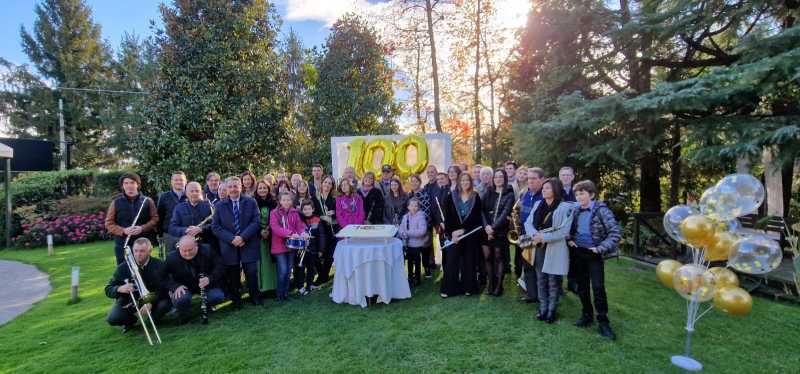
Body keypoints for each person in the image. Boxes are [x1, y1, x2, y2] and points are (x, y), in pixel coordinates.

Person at [568, 180, 620, 340]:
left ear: (591, 194)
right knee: (582, 287)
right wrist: (569, 239)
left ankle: (603, 322)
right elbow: (568, 229)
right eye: (576, 194)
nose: (579, 197)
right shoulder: (575, 211)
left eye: (582, 193)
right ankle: (586, 315)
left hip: (594, 254)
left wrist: (599, 248)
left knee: (598, 288)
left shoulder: (602, 211)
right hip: (578, 252)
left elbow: (615, 233)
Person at [524, 178, 577, 324]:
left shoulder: (566, 207)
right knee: (541, 278)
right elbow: (528, 222)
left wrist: (543, 237)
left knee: (553, 281)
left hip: (555, 247)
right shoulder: (537, 204)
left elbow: (564, 231)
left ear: (555, 189)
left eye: (547, 188)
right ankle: (543, 308)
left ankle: (552, 310)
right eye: (543, 188)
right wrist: (535, 235)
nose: (544, 190)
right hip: (538, 246)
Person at [211, 176, 263, 307]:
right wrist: (232, 239)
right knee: (233, 275)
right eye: (230, 187)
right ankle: (237, 300)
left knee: (251, 272)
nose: (233, 189)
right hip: (229, 245)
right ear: (226, 189)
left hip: (248, 243)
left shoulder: (251, 202)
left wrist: (242, 237)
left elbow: (256, 221)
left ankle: (255, 297)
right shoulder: (219, 205)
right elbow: (215, 227)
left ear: (241, 187)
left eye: (236, 186)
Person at [105, 238, 170, 332]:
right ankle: (130, 321)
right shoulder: (123, 267)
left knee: (165, 304)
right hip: (130, 301)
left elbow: (163, 289)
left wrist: (149, 301)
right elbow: (108, 289)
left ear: (150, 251)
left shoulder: (159, 265)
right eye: (135, 251)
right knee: (113, 318)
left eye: (142, 251)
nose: (138, 254)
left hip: (154, 299)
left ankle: (154, 318)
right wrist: (119, 288)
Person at [440, 173, 483, 298]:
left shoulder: (475, 197)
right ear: (459, 182)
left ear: (470, 182)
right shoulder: (451, 196)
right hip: (454, 236)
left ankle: (468, 287)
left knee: (469, 261)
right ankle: (449, 289)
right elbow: (448, 217)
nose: (465, 182)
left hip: (469, 234)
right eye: (462, 180)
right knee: (451, 261)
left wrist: (464, 230)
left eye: (467, 180)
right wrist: (452, 233)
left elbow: (477, 218)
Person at [165, 236, 226, 322]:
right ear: (179, 248)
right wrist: (175, 286)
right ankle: (183, 313)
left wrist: (210, 278)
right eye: (184, 251)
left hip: (206, 285)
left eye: (190, 250)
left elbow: (220, 267)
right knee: (181, 299)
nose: (187, 253)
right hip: (184, 286)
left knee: (217, 296)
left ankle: (207, 307)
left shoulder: (207, 250)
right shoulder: (171, 258)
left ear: (196, 246)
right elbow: (164, 277)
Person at [105, 172, 159, 265]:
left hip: (143, 243)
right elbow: (109, 223)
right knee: (124, 272)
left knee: (145, 270)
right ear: (122, 186)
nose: (129, 185)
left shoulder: (147, 201)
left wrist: (142, 228)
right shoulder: (116, 202)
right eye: (126, 183)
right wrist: (123, 230)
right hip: (123, 244)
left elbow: (155, 219)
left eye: (132, 182)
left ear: (137, 185)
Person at [481, 169, 515, 296]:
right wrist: (487, 227)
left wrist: (493, 229)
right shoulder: (488, 191)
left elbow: (505, 213)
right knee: (487, 257)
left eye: (501, 177)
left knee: (499, 257)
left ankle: (499, 285)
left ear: (505, 179)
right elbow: (482, 210)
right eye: (496, 177)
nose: (498, 179)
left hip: (500, 231)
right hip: (486, 230)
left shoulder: (509, 194)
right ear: (493, 178)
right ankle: (491, 283)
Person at [270, 192, 308, 301]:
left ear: (292, 201)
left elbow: (299, 226)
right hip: (279, 246)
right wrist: (290, 233)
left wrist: (303, 233)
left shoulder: (295, 213)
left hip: (292, 246)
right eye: (284, 200)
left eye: (289, 200)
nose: (286, 202)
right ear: (280, 201)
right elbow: (275, 228)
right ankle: (280, 295)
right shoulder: (274, 213)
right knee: (282, 271)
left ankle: (286, 294)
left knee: (288, 271)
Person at [518, 167, 545, 302]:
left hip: (538, 235)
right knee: (527, 264)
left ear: (542, 180)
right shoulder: (525, 194)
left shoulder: (545, 195)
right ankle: (531, 294)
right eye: (529, 178)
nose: (530, 181)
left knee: (540, 267)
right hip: (524, 235)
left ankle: (542, 296)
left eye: (534, 178)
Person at [169, 182, 215, 254]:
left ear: (201, 192)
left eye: (197, 191)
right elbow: (172, 228)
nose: (194, 193)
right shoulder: (179, 208)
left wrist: (201, 229)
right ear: (186, 193)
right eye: (192, 191)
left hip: (205, 245)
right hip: (185, 247)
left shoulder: (209, 207)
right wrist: (186, 230)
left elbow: (215, 225)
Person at [313, 175, 338, 285]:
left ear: (332, 186)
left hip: (332, 229)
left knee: (329, 255)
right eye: (325, 182)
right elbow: (311, 213)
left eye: (329, 183)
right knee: (317, 253)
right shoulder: (315, 198)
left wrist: (333, 214)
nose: (327, 185)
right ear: (322, 183)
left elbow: (340, 214)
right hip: (319, 230)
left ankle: (323, 276)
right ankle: (322, 275)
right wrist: (323, 217)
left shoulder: (335, 199)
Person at [399, 198, 429, 287]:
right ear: (408, 207)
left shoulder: (421, 217)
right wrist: (403, 234)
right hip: (408, 244)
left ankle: (417, 278)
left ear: (418, 207)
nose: (413, 207)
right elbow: (401, 228)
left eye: (416, 206)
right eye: (411, 205)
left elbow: (422, 231)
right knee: (409, 262)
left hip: (417, 244)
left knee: (417, 261)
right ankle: (410, 277)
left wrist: (407, 233)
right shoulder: (405, 217)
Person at [254, 180, 278, 294]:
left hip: (271, 235)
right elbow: (251, 219)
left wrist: (268, 230)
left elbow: (277, 218)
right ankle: (262, 287)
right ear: (257, 190)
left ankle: (273, 286)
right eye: (260, 188)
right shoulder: (253, 202)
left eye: (264, 188)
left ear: (268, 189)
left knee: (271, 261)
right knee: (261, 261)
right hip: (258, 236)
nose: (262, 190)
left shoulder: (273, 202)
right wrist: (261, 231)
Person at [408, 174, 433, 278]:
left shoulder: (424, 194)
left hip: (423, 225)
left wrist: (424, 226)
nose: (414, 183)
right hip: (412, 226)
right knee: (414, 249)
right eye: (412, 181)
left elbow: (427, 211)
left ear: (419, 182)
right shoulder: (409, 195)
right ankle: (414, 270)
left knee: (425, 248)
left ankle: (427, 267)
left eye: (416, 181)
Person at [157, 171, 188, 255]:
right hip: (169, 235)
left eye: (181, 180)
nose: (178, 182)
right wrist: (160, 235)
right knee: (171, 260)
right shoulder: (164, 196)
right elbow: (160, 216)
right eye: (176, 180)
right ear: (171, 182)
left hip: (187, 234)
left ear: (186, 181)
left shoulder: (191, 195)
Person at [297, 199, 321, 295]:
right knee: (301, 269)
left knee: (311, 268)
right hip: (301, 249)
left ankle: (310, 284)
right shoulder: (299, 219)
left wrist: (320, 249)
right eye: (304, 209)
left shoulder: (317, 219)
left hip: (312, 249)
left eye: (309, 209)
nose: (307, 211)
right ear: (302, 210)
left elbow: (320, 235)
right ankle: (300, 286)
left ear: (313, 209)